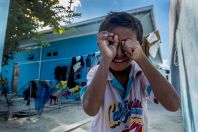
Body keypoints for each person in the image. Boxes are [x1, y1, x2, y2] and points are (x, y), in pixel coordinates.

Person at [80, 12, 180, 132]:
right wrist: (106, 58)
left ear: (139, 46)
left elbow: (173, 104)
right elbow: (90, 110)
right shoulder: (96, 73)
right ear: (102, 45)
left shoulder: (141, 73)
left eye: (126, 45)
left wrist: (141, 58)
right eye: (112, 43)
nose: (119, 53)